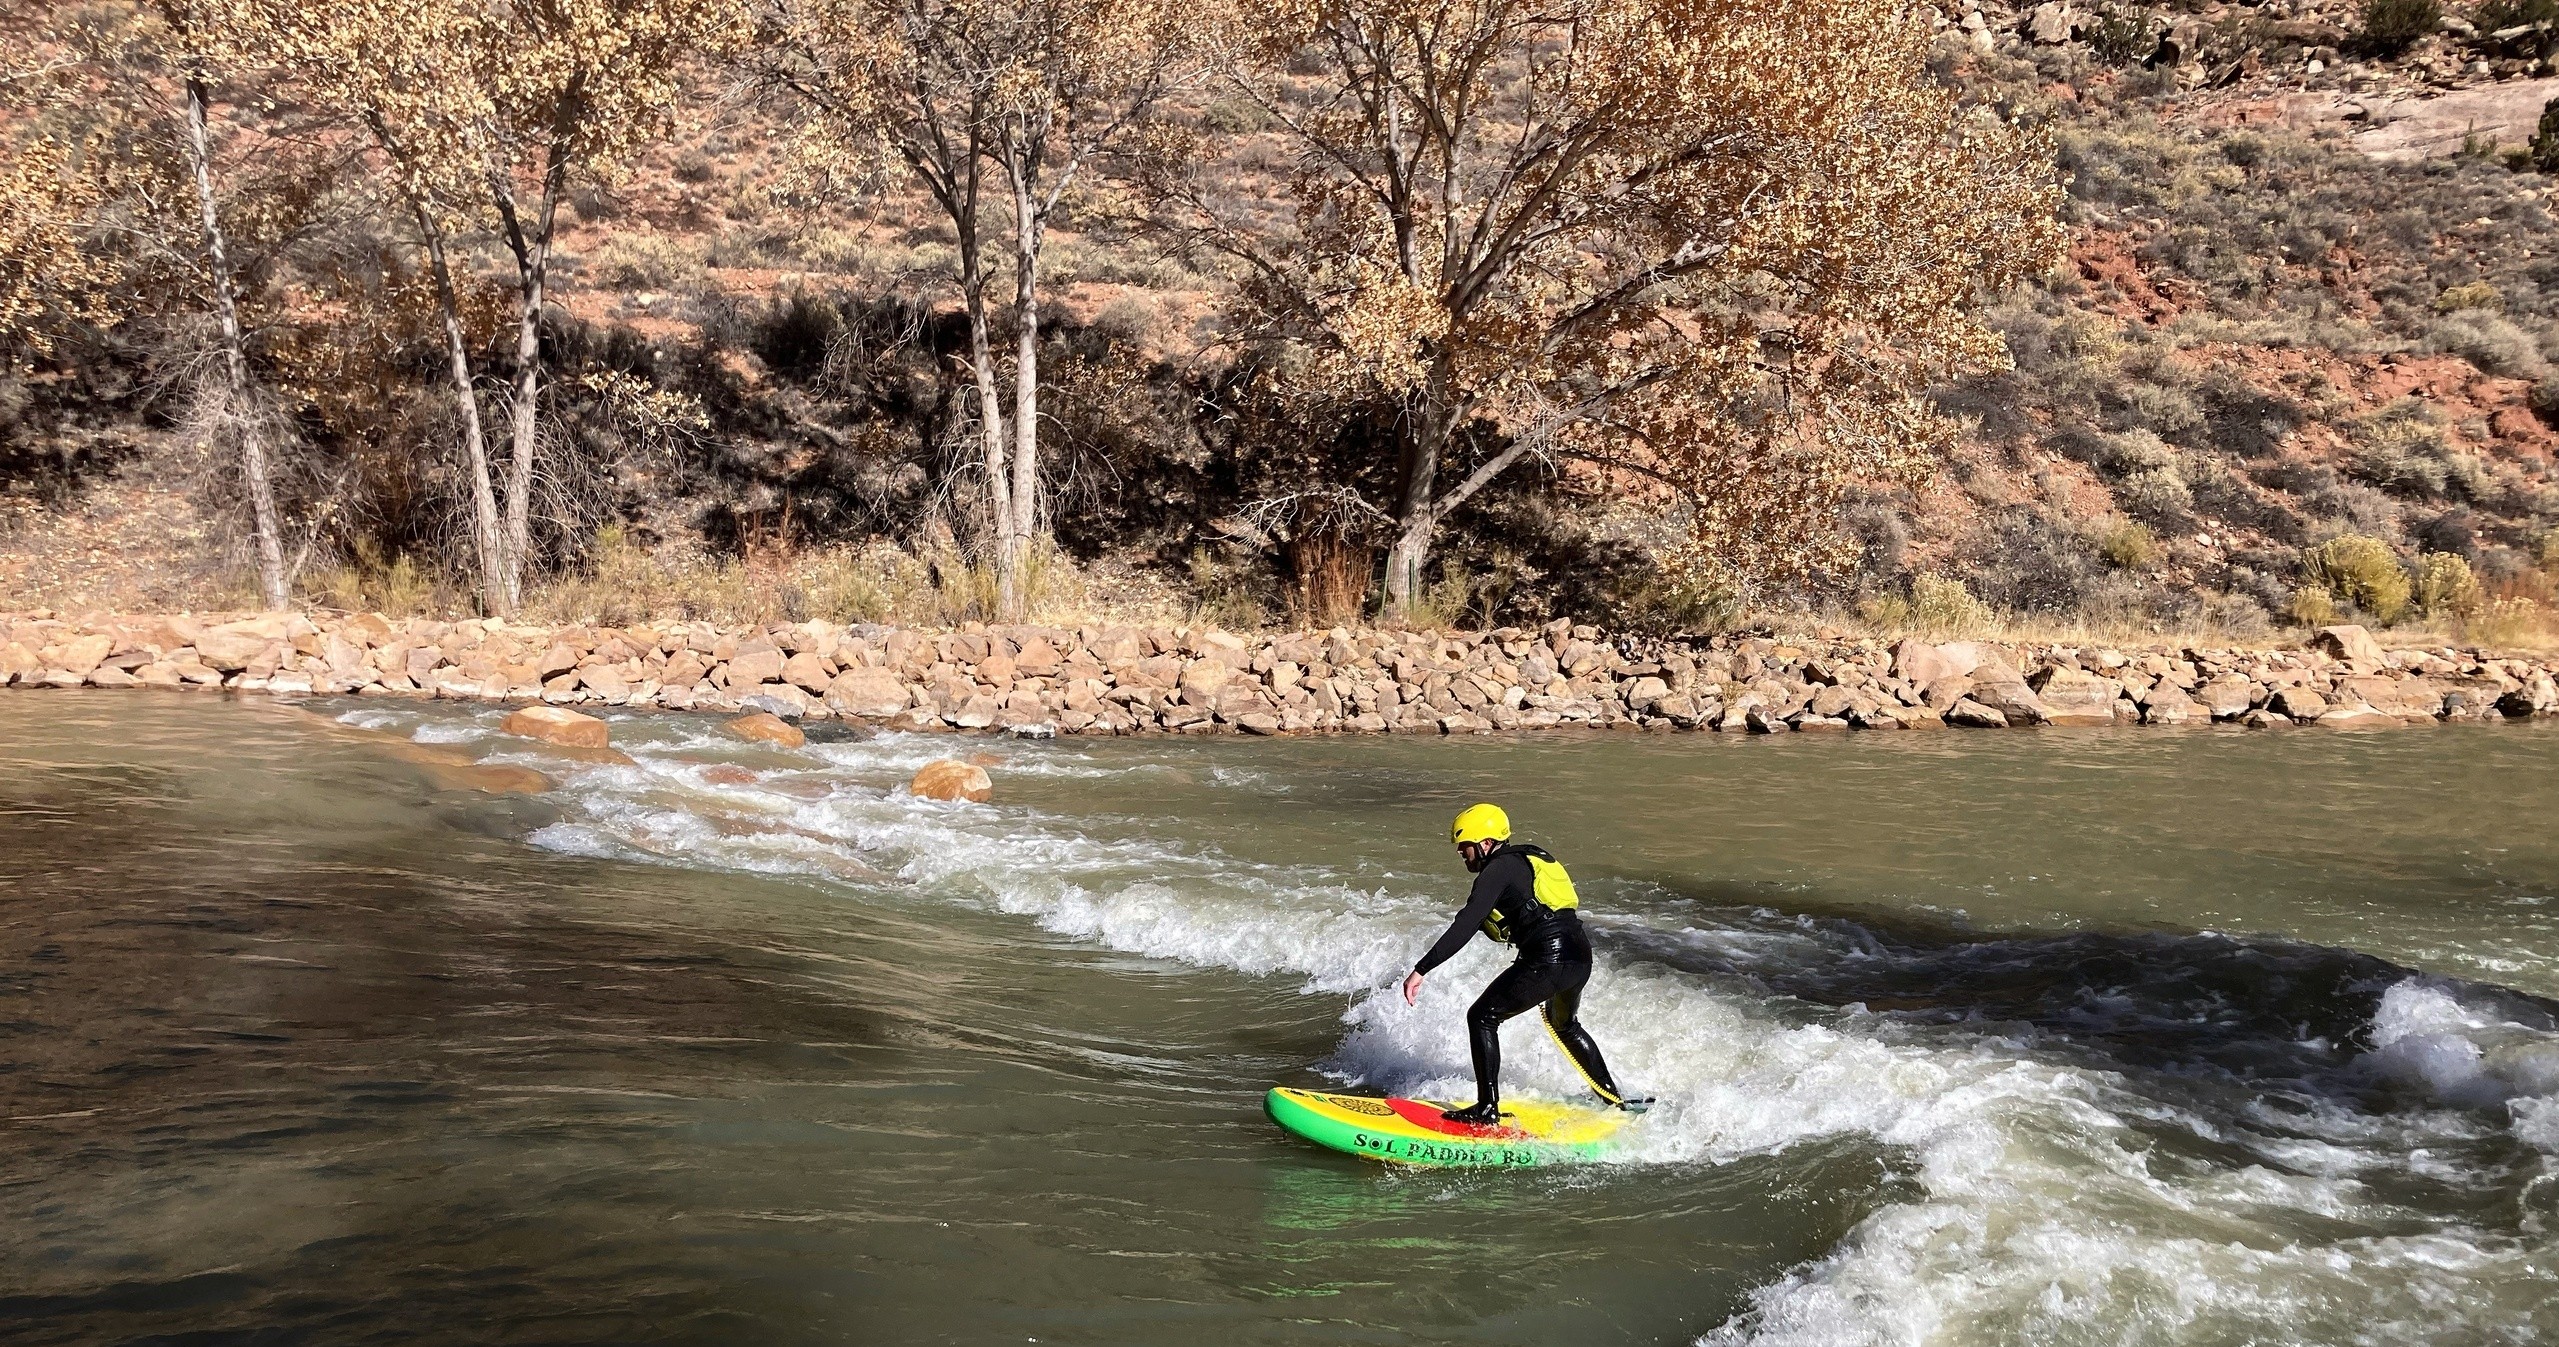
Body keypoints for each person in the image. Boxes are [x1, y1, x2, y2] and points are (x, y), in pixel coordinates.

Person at [1400, 803, 1642, 1125]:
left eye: (1466, 844)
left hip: (1548, 957)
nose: (1461, 851)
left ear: (1486, 844)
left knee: (1482, 1017)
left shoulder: (1496, 870)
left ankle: (1487, 1108)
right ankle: (1613, 1100)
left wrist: (1422, 969)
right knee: (1565, 1025)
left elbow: (1466, 923)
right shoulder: (1529, 859)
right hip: (1580, 954)